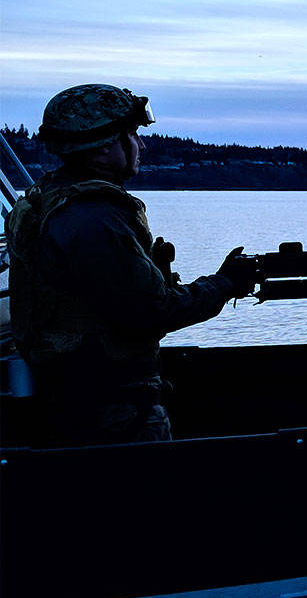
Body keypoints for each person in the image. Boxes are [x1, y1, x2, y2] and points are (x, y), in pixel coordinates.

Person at [4, 84, 258, 446]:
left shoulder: (48, 202)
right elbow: (152, 311)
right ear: (104, 146)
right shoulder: (94, 219)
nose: (142, 145)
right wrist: (225, 283)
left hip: (71, 401)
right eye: (133, 135)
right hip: (112, 414)